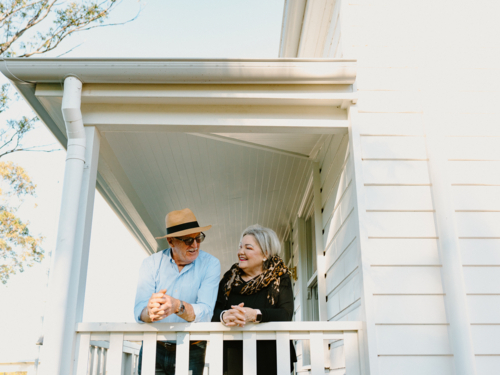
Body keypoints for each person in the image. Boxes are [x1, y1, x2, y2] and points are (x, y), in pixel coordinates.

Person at [134, 208, 220, 375]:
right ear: (171, 241)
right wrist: (150, 311)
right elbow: (139, 310)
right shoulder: (151, 264)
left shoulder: (211, 264)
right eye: (188, 240)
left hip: (191, 348)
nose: (195, 245)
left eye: (198, 238)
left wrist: (177, 306)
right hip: (154, 345)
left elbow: (207, 312)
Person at [212, 224, 297, 375]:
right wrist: (225, 316)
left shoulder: (280, 277)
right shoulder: (229, 279)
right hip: (234, 357)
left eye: (248, 248)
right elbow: (214, 312)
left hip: (272, 356)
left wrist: (254, 315)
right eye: (240, 247)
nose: (240, 252)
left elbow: (285, 314)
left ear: (265, 253)